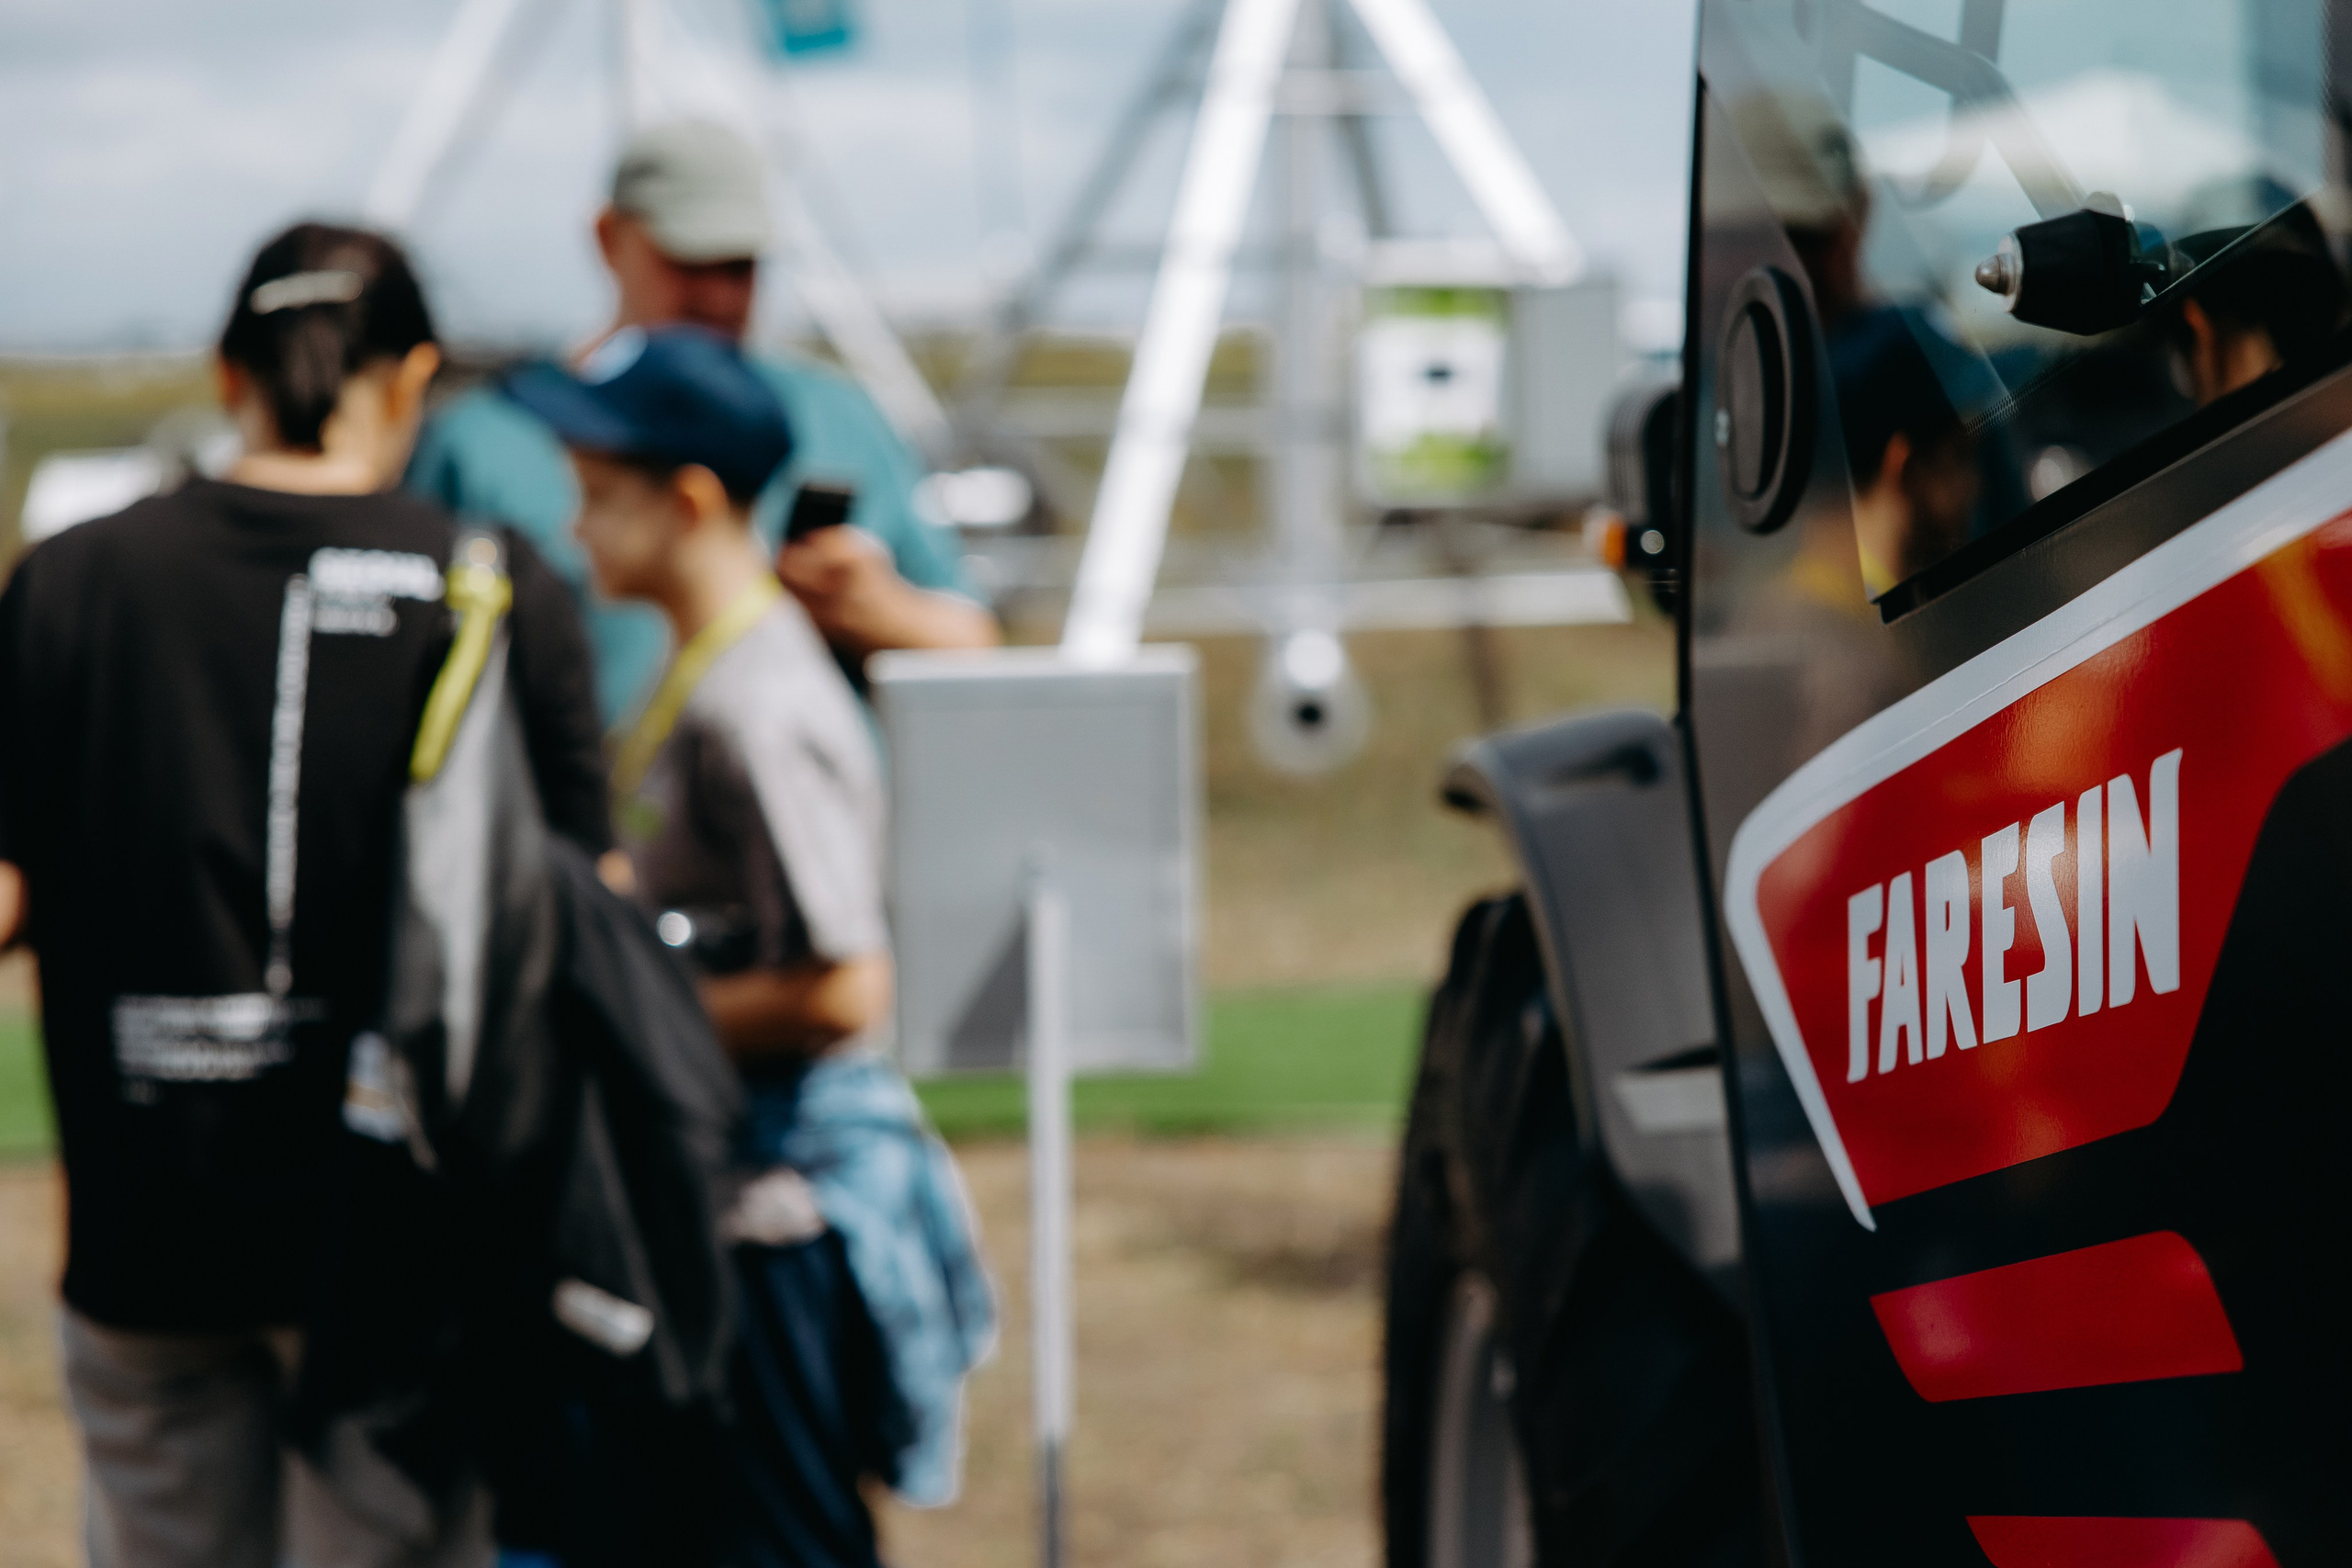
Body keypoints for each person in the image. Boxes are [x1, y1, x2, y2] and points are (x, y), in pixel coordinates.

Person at [0, 223, 613, 1567]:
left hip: (147, 1212)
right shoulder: (497, 585)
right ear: (413, 375)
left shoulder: (70, 581)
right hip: (406, 1218)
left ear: (231, 371)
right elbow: (580, 908)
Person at [507, 324, 993, 1568]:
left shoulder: (760, 703)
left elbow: (845, 982)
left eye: (597, 501)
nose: (574, 533)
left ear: (689, 500)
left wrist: (624, 1012)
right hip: (722, 1191)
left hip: (785, 1213)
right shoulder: (703, 671)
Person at [409, 118, 996, 727]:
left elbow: (973, 640)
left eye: (740, 267)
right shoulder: (481, 442)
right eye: (688, 261)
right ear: (609, 239)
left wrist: (874, 609)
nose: (718, 296)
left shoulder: (840, 416)